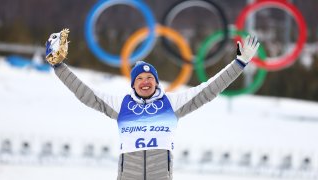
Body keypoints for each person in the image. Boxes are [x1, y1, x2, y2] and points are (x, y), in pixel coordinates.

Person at [45, 29, 259, 180]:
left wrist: (239, 64)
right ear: (133, 84)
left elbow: (210, 89)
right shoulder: (121, 105)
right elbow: (85, 93)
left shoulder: (172, 103)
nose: (145, 82)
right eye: (139, 79)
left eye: (150, 79)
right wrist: (59, 67)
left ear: (156, 82)